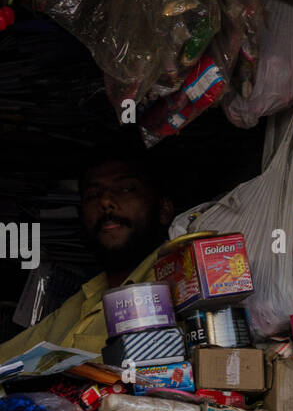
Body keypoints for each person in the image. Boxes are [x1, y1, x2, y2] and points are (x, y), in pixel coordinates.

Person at [0, 156, 175, 364]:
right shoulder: (83, 299)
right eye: (93, 195)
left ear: (164, 210)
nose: (105, 202)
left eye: (126, 189)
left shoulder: (177, 282)